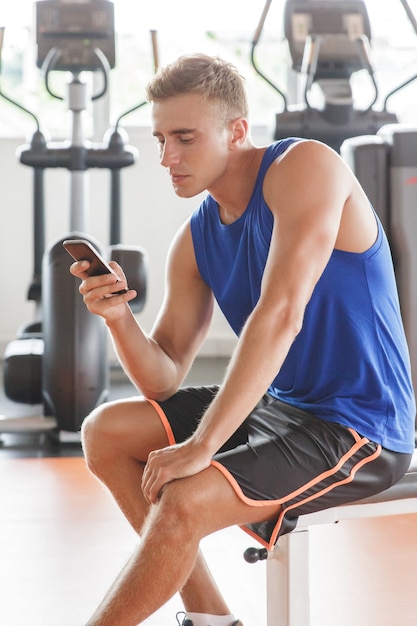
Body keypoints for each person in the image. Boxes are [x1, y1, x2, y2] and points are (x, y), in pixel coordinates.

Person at [70, 54, 416, 626]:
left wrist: (204, 444)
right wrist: (116, 318)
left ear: (237, 131)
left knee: (184, 496)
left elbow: (281, 312)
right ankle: (211, 618)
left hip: (359, 425)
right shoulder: (198, 235)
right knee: (105, 431)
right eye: (160, 139)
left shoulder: (306, 167)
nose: (167, 158)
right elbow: (162, 376)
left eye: (184, 137)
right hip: (280, 407)